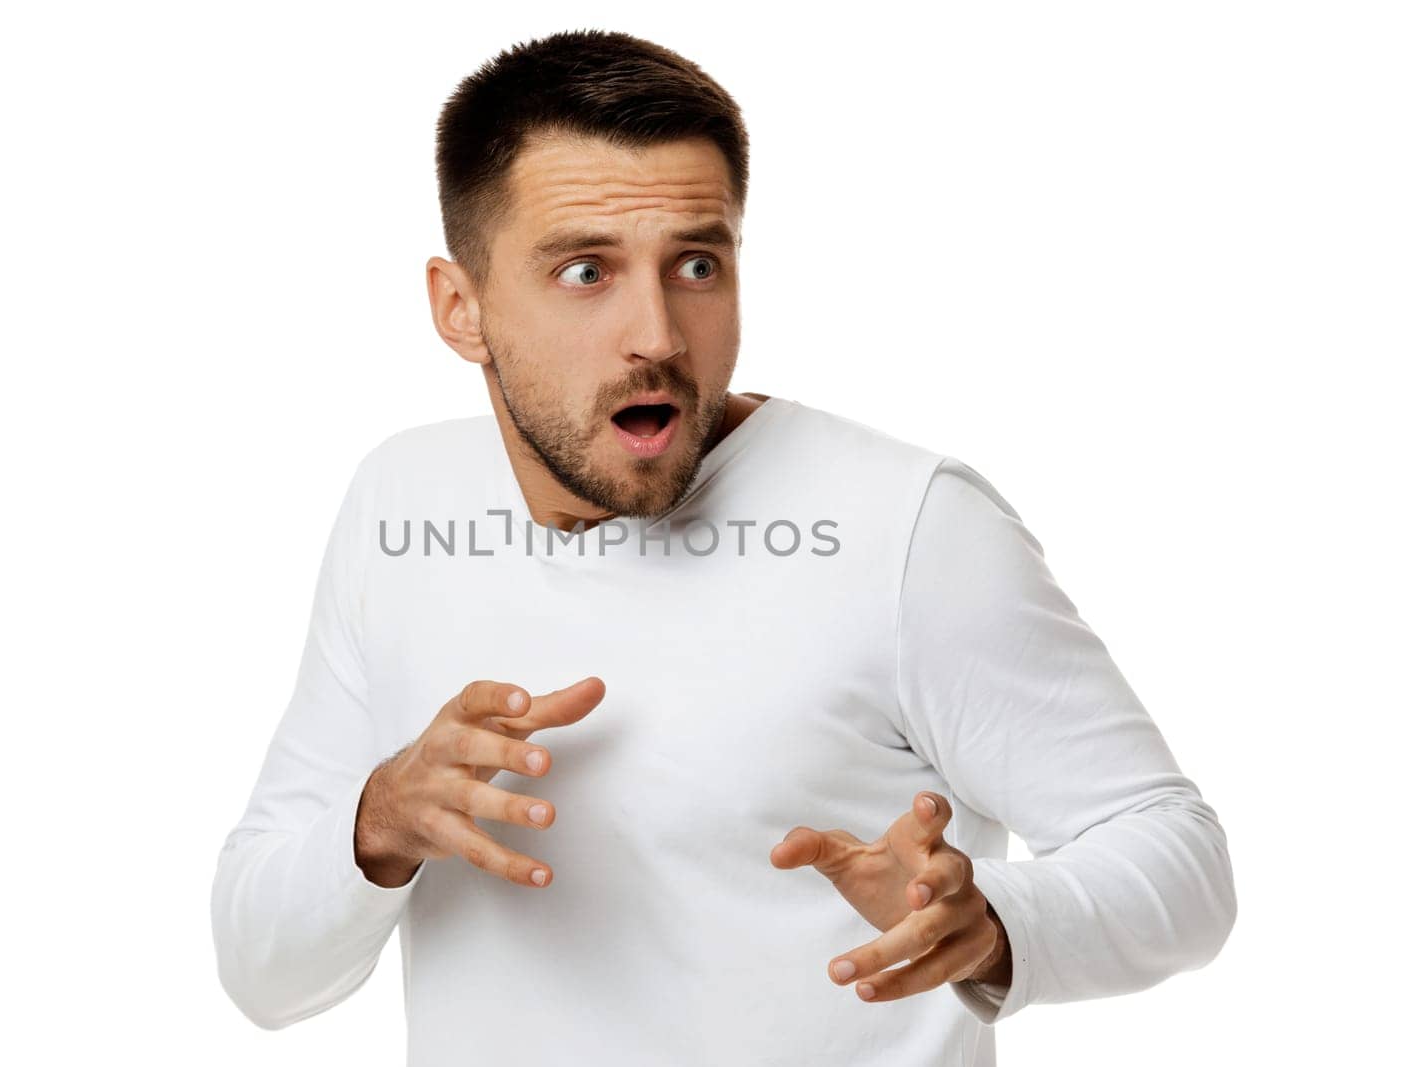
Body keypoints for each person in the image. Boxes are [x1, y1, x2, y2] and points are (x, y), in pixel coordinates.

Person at [210, 28, 1236, 1065]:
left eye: (697, 263)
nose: (656, 331)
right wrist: (378, 822)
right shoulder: (401, 502)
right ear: (459, 308)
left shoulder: (907, 525)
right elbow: (260, 968)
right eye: (584, 271)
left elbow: (1181, 859)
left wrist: (994, 923)